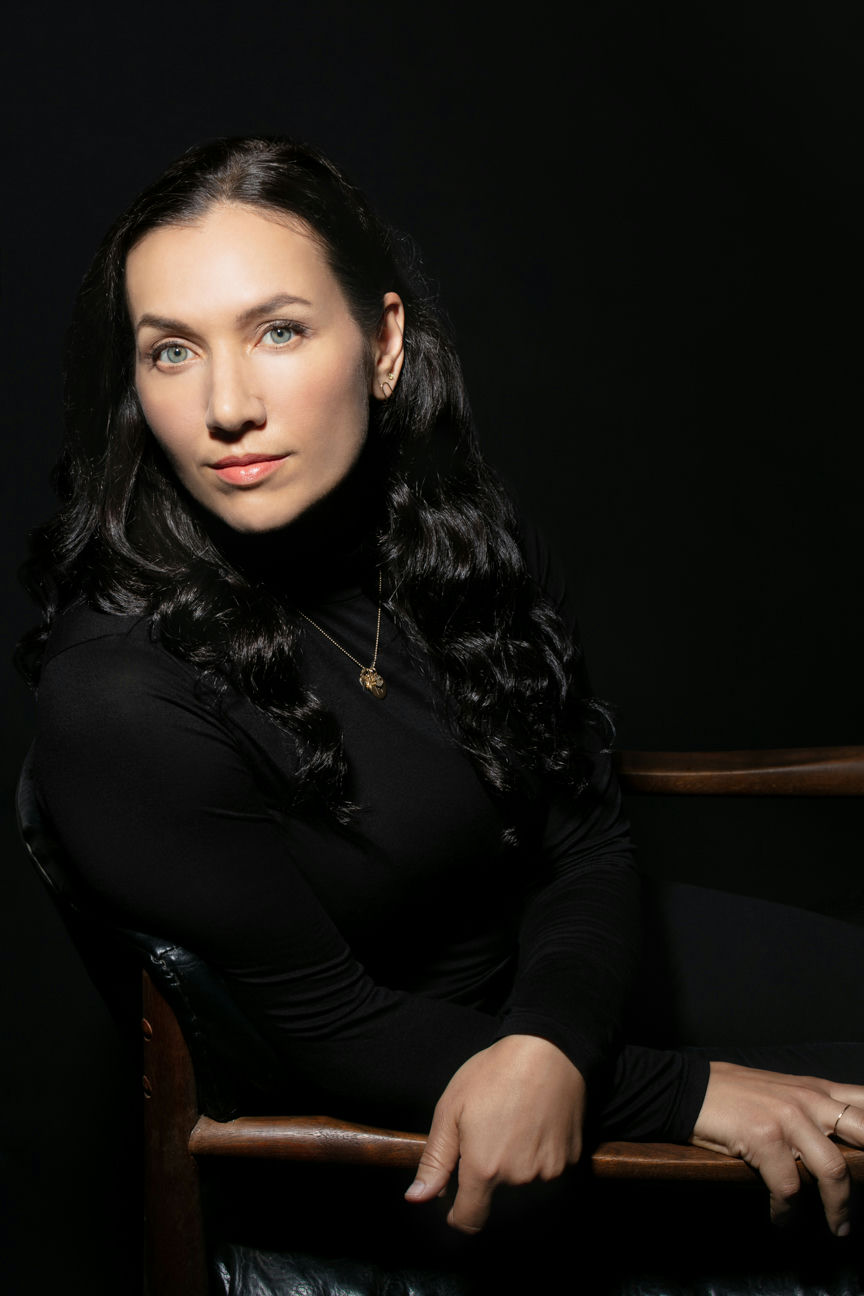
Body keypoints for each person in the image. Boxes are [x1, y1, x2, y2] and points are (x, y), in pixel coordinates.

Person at [18, 136, 864, 1248]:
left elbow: (587, 836)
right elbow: (320, 1026)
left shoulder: (459, 540)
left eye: (279, 332)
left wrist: (556, 1041)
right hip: (399, 1079)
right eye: (171, 353)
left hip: (571, 976)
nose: (227, 406)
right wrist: (678, 1095)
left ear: (382, 343)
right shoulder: (118, 697)